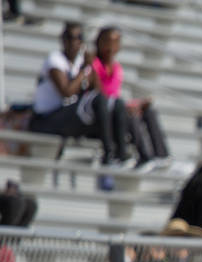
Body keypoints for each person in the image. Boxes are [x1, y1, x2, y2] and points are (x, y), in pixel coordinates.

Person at [29, 22, 130, 166]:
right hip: (47, 119)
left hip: (68, 117)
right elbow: (67, 92)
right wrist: (84, 71)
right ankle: (108, 155)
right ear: (62, 40)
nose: (74, 42)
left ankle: (121, 155)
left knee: (117, 104)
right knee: (98, 102)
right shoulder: (55, 60)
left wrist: (92, 68)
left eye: (78, 38)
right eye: (70, 38)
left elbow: (98, 90)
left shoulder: (80, 63)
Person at [92, 26, 170, 169]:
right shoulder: (93, 64)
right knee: (130, 115)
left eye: (116, 42)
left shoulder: (116, 68)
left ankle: (162, 156)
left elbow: (114, 95)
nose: (112, 46)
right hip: (100, 113)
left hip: (116, 108)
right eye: (108, 41)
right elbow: (100, 95)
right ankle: (145, 157)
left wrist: (137, 104)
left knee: (149, 111)